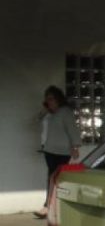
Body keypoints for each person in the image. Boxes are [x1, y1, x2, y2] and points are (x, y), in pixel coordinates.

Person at [35, 86, 81, 218]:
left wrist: (75, 146)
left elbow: (72, 129)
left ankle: (50, 206)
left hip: (62, 151)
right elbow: (37, 119)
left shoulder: (65, 112)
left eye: (51, 99)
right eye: (47, 99)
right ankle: (50, 206)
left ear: (58, 99)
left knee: (57, 178)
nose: (48, 101)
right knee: (52, 178)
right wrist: (45, 109)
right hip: (49, 150)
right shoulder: (49, 114)